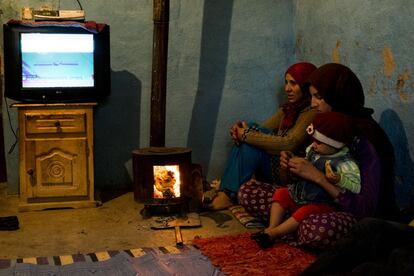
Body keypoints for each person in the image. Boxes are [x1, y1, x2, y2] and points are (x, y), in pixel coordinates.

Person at [238, 63, 398, 247]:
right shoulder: (324, 126)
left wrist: (320, 178)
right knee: (247, 192)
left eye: (318, 97)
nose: (313, 103)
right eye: (312, 96)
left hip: (348, 213)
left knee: (314, 230)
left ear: (337, 97)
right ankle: (290, 226)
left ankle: (291, 226)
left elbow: (365, 209)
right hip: (310, 201)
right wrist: (289, 168)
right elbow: (293, 186)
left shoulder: (366, 139)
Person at [207, 62, 317, 210]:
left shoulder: (311, 111)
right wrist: (241, 131)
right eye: (286, 83)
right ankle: (226, 191)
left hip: (289, 170)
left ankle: (229, 193)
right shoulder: (289, 109)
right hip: (276, 164)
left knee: (251, 140)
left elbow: (290, 143)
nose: (287, 89)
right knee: (252, 128)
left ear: (305, 86)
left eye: (293, 83)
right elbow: (263, 129)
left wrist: (245, 135)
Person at [252, 112, 361, 248]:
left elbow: (355, 187)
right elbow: (302, 169)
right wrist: (291, 163)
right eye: (313, 140)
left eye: (319, 142)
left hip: (321, 203)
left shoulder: (344, 163)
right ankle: (271, 227)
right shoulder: (314, 150)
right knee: (281, 193)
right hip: (300, 194)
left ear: (335, 144)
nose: (314, 145)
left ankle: (275, 234)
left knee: (306, 212)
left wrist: (339, 179)